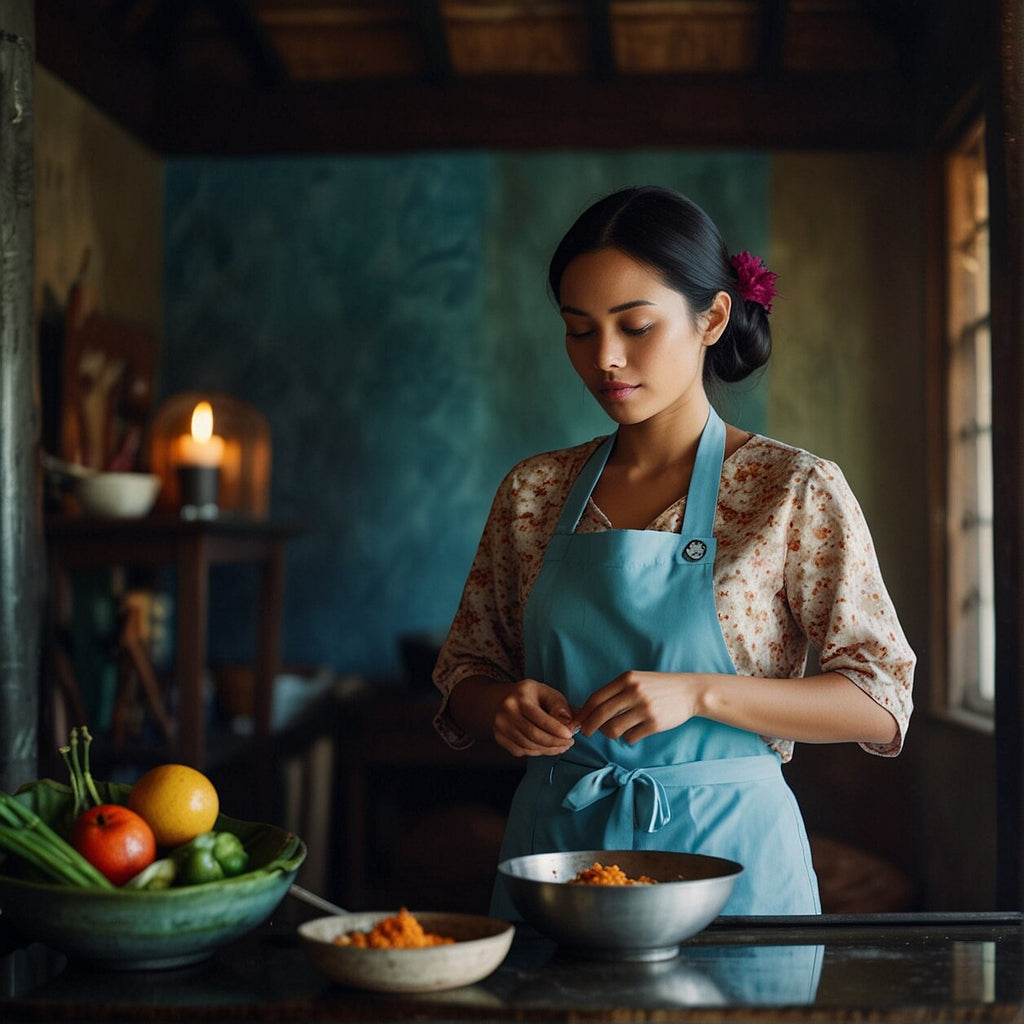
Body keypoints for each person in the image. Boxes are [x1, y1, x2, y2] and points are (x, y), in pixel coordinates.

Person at [431, 185, 915, 917]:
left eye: (636, 325)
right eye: (579, 330)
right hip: (557, 860)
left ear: (712, 317)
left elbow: (881, 699)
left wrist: (700, 692)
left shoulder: (791, 489)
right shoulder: (533, 492)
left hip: (735, 866)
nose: (606, 359)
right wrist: (499, 705)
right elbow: (463, 674)